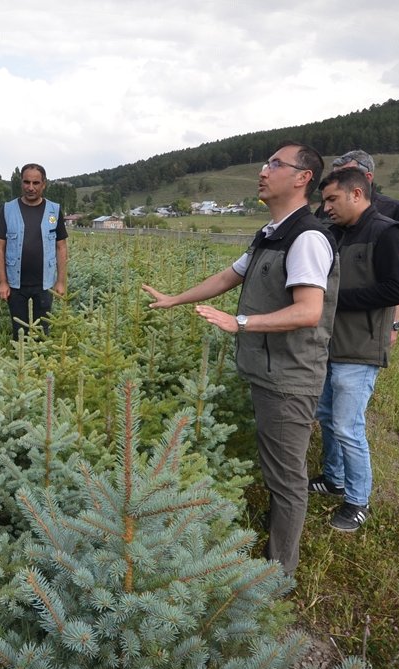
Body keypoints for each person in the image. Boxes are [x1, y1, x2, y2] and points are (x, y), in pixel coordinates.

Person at [142, 142, 338, 578]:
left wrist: (241, 322)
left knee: (287, 481)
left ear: (303, 178)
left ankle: (276, 578)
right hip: (267, 372)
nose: (263, 171)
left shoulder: (307, 238)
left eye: (275, 164)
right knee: (276, 472)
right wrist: (176, 298)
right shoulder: (271, 233)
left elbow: (309, 311)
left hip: (289, 378)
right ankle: (273, 562)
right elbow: (230, 276)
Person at [308, 167, 399, 532]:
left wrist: (334, 301)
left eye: (333, 199)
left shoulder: (387, 232)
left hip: (361, 347)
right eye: (324, 201)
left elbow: (397, 289)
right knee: (327, 416)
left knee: (349, 426)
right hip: (331, 344)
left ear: (356, 194)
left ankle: (357, 499)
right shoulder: (335, 234)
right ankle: (333, 478)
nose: (327, 207)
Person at [324, 150, 399, 345]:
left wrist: (394, 323)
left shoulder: (394, 211)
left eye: (346, 175)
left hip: (365, 332)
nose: (328, 207)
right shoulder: (325, 211)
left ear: (367, 178)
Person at [0, 163, 68, 339]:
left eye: (36, 183)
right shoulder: (8, 209)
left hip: (45, 284)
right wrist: (2, 282)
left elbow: (61, 247)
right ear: (21, 183)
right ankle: (20, 364)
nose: (31, 188)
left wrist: (61, 281)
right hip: (15, 285)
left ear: (44, 184)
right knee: (19, 332)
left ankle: (41, 364)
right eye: (27, 182)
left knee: (43, 333)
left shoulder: (54, 211)